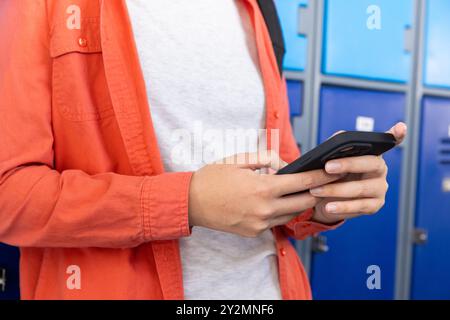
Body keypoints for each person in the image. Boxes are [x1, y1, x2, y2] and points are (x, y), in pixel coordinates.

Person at [0, 0, 406, 299]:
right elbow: (10, 196)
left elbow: (275, 178)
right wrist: (186, 202)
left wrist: (323, 196)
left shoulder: (258, 11)